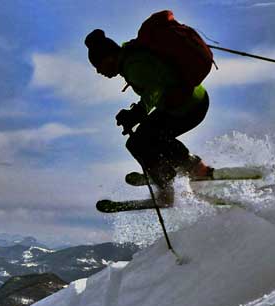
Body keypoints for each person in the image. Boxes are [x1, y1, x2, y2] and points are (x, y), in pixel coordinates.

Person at [85, 28, 213, 205]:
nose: (99, 72)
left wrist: (137, 113)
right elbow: (157, 82)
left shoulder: (133, 65)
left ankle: (175, 182)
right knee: (143, 139)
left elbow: (155, 89)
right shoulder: (131, 57)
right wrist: (134, 114)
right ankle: (172, 175)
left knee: (144, 140)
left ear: (109, 57)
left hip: (190, 105)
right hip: (186, 101)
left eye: (98, 66)